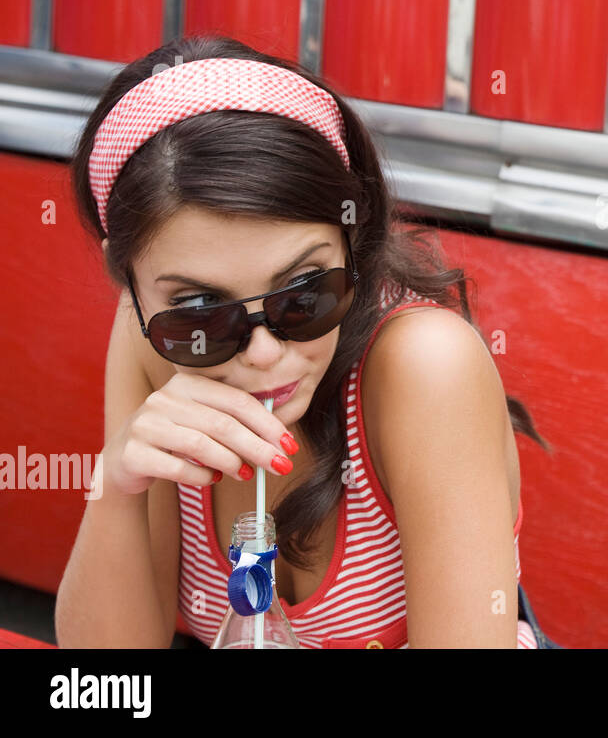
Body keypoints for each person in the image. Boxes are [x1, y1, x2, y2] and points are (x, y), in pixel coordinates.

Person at [54, 33, 551, 648]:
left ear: (354, 235)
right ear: (127, 280)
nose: (264, 353)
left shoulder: (424, 366)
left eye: (304, 290)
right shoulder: (147, 344)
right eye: (201, 308)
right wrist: (115, 488)